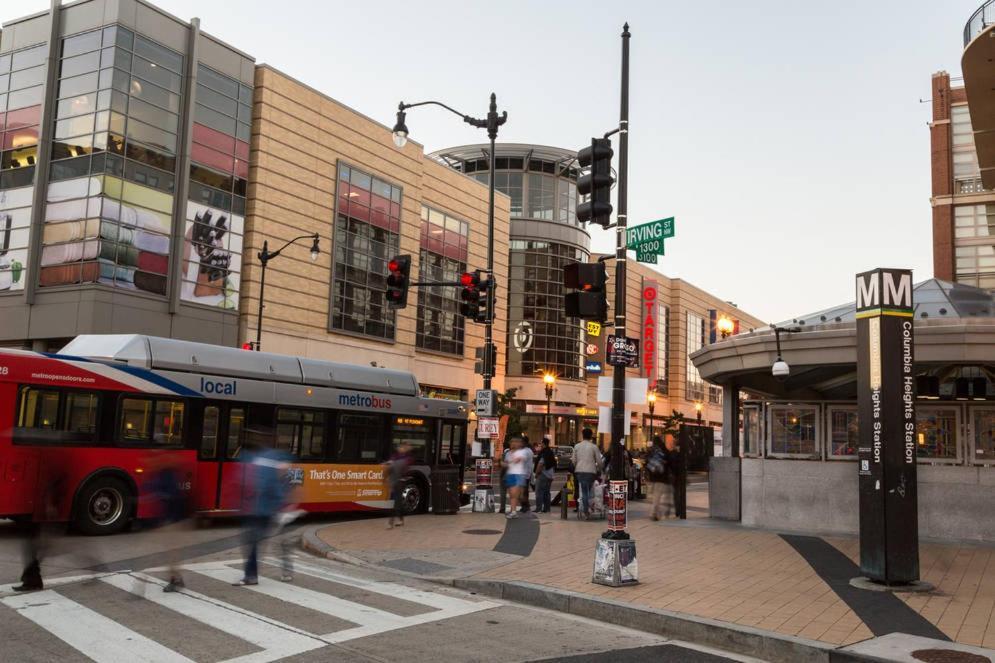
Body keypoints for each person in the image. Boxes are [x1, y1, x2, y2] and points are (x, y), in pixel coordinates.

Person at [235, 429, 292, 586]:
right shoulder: (259, 457)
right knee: (256, 541)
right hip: (261, 509)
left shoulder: (276, 458)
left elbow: (279, 486)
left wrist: (285, 506)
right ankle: (252, 574)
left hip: (267, 510)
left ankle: (254, 575)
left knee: (265, 542)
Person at [571, 428, 602, 520]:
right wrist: (599, 469)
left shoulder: (577, 446)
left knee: (584, 491)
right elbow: (599, 461)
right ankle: (587, 510)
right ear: (591, 435)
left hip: (579, 472)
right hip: (591, 472)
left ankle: (586, 510)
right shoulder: (594, 447)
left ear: (582, 435)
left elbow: (573, 460)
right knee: (588, 491)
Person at [385, 442, 412, 528]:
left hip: (400, 482)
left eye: (402, 447)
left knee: (395, 502)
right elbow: (390, 465)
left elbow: (405, 468)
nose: (400, 449)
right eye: (400, 447)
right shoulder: (396, 456)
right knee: (397, 502)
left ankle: (391, 522)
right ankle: (401, 519)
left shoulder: (407, 458)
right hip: (394, 482)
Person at [504, 436, 532, 518]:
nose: (513, 444)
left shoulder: (522, 452)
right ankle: (514, 510)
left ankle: (521, 508)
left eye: (515, 442)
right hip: (510, 474)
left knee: (516, 494)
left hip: (519, 474)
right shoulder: (508, 453)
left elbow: (517, 460)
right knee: (512, 495)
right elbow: (506, 463)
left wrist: (508, 463)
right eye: (512, 442)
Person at [646, 436, 673, 520]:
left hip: (652, 478)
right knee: (658, 497)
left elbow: (647, 463)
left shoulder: (652, 451)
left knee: (654, 497)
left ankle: (658, 513)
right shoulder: (665, 451)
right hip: (661, 478)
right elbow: (670, 463)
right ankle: (655, 514)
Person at [534, 437, 557, 513]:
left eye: (541, 443)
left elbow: (540, 464)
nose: (540, 445)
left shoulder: (544, 452)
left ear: (543, 444)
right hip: (550, 475)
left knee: (539, 492)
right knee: (547, 492)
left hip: (543, 474)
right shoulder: (550, 452)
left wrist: (536, 473)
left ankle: (539, 508)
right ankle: (547, 508)